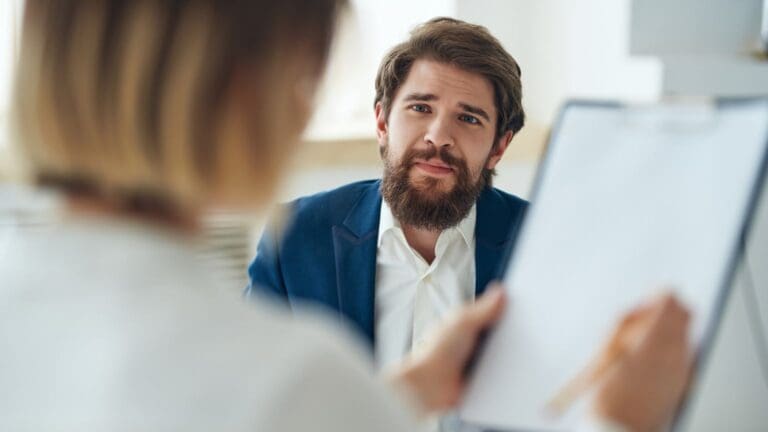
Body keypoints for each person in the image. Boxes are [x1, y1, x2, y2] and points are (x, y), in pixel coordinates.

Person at [0, 2, 691, 431]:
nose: (438, 137)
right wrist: (624, 422)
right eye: (305, 77)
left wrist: (413, 388)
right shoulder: (294, 361)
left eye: (468, 119)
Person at [247, 18, 527, 371]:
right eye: (420, 108)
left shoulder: (543, 241)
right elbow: (249, 382)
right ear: (382, 123)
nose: (438, 136)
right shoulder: (293, 235)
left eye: (469, 118)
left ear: (498, 147)